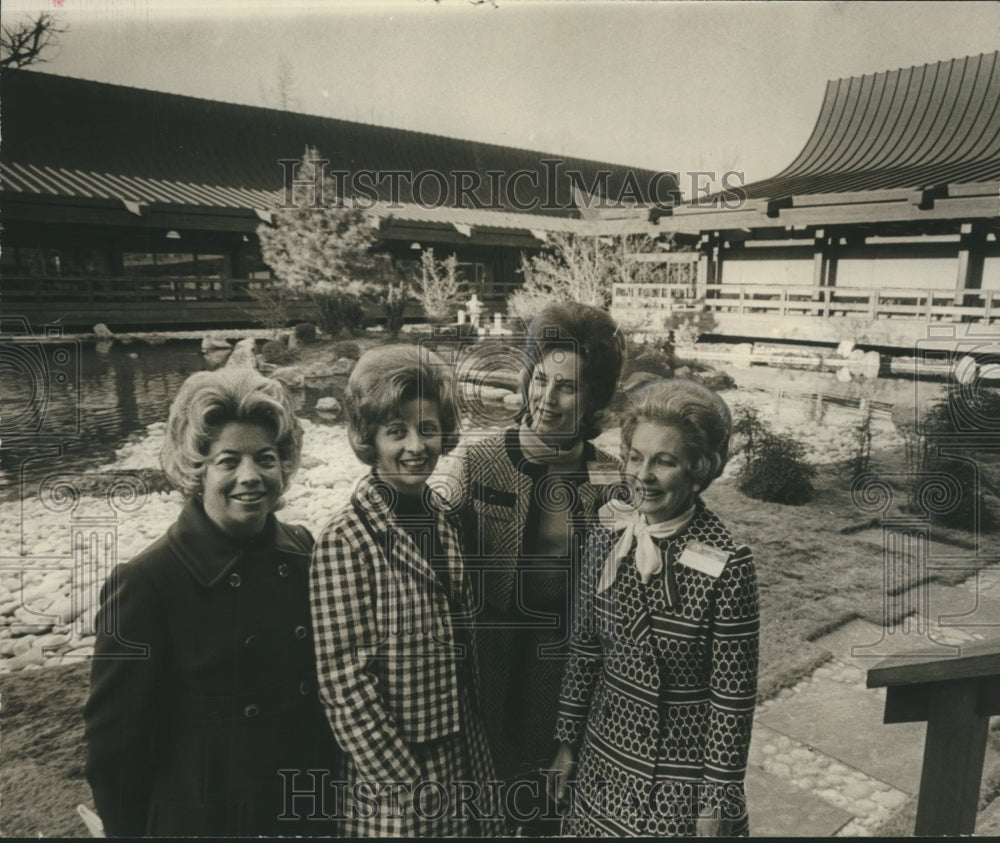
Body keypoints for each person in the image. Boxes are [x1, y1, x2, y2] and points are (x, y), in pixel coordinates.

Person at [84, 368, 338, 837]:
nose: (250, 477)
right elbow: (115, 748)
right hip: (208, 820)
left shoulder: (303, 550)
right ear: (197, 469)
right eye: (228, 461)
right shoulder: (146, 582)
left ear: (284, 463)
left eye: (265, 458)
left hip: (305, 808)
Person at [437, 302, 626, 834]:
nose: (547, 398)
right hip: (483, 671)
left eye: (568, 387)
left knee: (549, 814)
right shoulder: (476, 462)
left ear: (593, 399)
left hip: (566, 676)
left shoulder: (610, 479)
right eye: (540, 378)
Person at [550, 379, 759, 837]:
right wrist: (567, 745)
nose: (643, 475)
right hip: (602, 763)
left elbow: (732, 700)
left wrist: (717, 800)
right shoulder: (609, 533)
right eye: (636, 457)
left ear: (698, 470)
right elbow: (585, 649)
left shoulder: (727, 561)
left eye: (664, 461)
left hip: (676, 781)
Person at [309, 344, 500, 837]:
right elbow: (344, 685)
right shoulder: (346, 538)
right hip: (396, 775)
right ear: (370, 439)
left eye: (428, 429)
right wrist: (405, 784)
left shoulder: (443, 518)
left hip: (461, 750)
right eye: (397, 432)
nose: (416, 446)